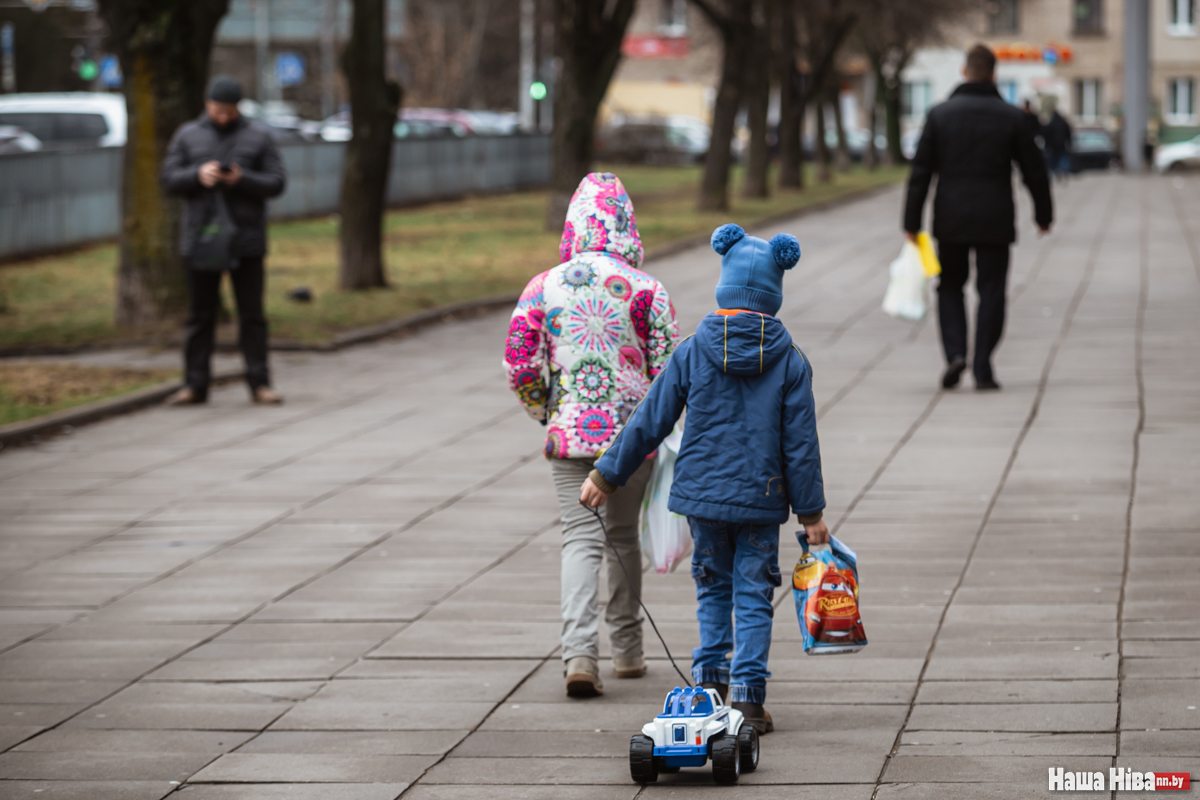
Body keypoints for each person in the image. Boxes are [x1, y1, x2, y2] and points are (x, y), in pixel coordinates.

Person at [580, 223, 827, 735]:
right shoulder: (791, 360)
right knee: (755, 595)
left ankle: (710, 688)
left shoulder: (692, 350)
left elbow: (651, 417)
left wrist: (607, 475)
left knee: (713, 589)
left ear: (725, 286)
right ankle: (751, 701)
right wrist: (812, 515)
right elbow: (801, 447)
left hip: (704, 499)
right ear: (773, 295)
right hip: (761, 502)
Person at [504, 172, 679, 698]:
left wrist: (546, 411)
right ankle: (627, 651)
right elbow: (669, 369)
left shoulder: (544, 286)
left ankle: (579, 655)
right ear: (627, 225)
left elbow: (520, 362)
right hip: (632, 439)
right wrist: (658, 425)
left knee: (579, 538)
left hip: (569, 437)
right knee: (623, 538)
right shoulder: (647, 290)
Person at [903, 44, 1052, 391]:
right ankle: (983, 363)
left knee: (951, 287)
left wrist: (911, 222)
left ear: (964, 71)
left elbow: (921, 171)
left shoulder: (940, 115)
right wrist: (1043, 215)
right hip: (995, 218)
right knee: (992, 290)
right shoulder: (1012, 116)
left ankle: (956, 352)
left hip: (950, 219)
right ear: (993, 74)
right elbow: (1035, 170)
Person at [161, 76, 287, 406]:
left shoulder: (259, 136)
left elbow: (276, 182)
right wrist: (197, 176)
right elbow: (168, 179)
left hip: (246, 238)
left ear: (238, 108)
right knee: (200, 315)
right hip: (202, 239)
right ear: (207, 105)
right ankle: (194, 385)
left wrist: (242, 179)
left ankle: (260, 383)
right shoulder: (188, 135)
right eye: (218, 110)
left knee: (252, 315)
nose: (223, 117)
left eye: (229, 111)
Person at [1043, 107, 1074, 181]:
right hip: (1062, 145)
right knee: (1062, 160)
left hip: (1053, 146)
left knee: (1053, 161)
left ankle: (1055, 173)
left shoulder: (1051, 123)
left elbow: (1046, 134)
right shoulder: (1063, 122)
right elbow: (1068, 134)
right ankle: (1062, 173)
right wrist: (1069, 143)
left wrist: (1047, 145)